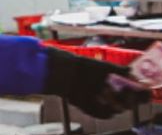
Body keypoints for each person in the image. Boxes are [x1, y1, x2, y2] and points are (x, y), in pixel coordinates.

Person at [0, 34, 147, 115]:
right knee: (105, 86)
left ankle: (130, 90)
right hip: (48, 68)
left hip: (47, 76)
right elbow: (26, 45)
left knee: (101, 100)